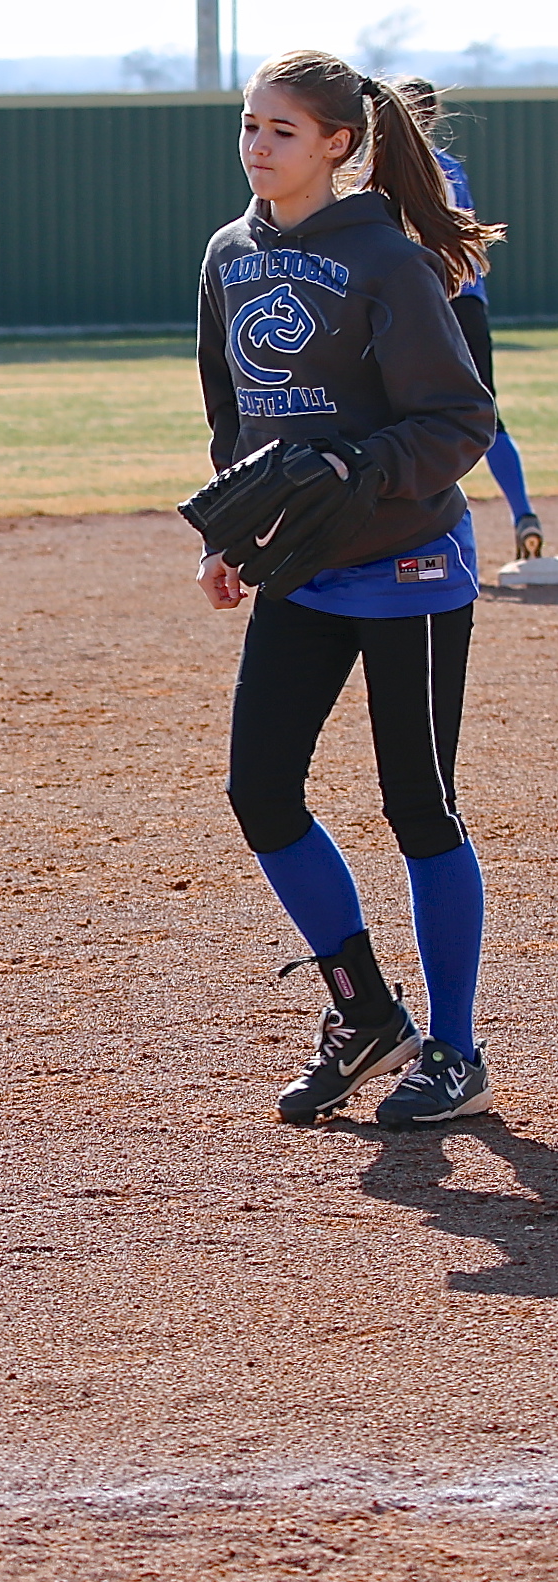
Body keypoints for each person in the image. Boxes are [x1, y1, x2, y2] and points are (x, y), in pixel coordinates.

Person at [194, 51, 502, 1127]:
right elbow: (233, 414)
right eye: (249, 124)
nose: (257, 145)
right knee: (260, 790)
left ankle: (456, 1052)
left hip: (408, 565)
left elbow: (458, 419)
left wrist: (355, 468)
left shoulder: (387, 260)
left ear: (338, 143)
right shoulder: (228, 254)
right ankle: (366, 1012)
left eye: (281, 130)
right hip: (303, 565)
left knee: (418, 805)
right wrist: (232, 530)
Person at [394, 76, 542, 561]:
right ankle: (523, 514)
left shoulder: (380, 170)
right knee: (485, 415)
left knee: (405, 420)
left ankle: (424, 537)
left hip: (417, 303)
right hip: (467, 300)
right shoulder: (451, 167)